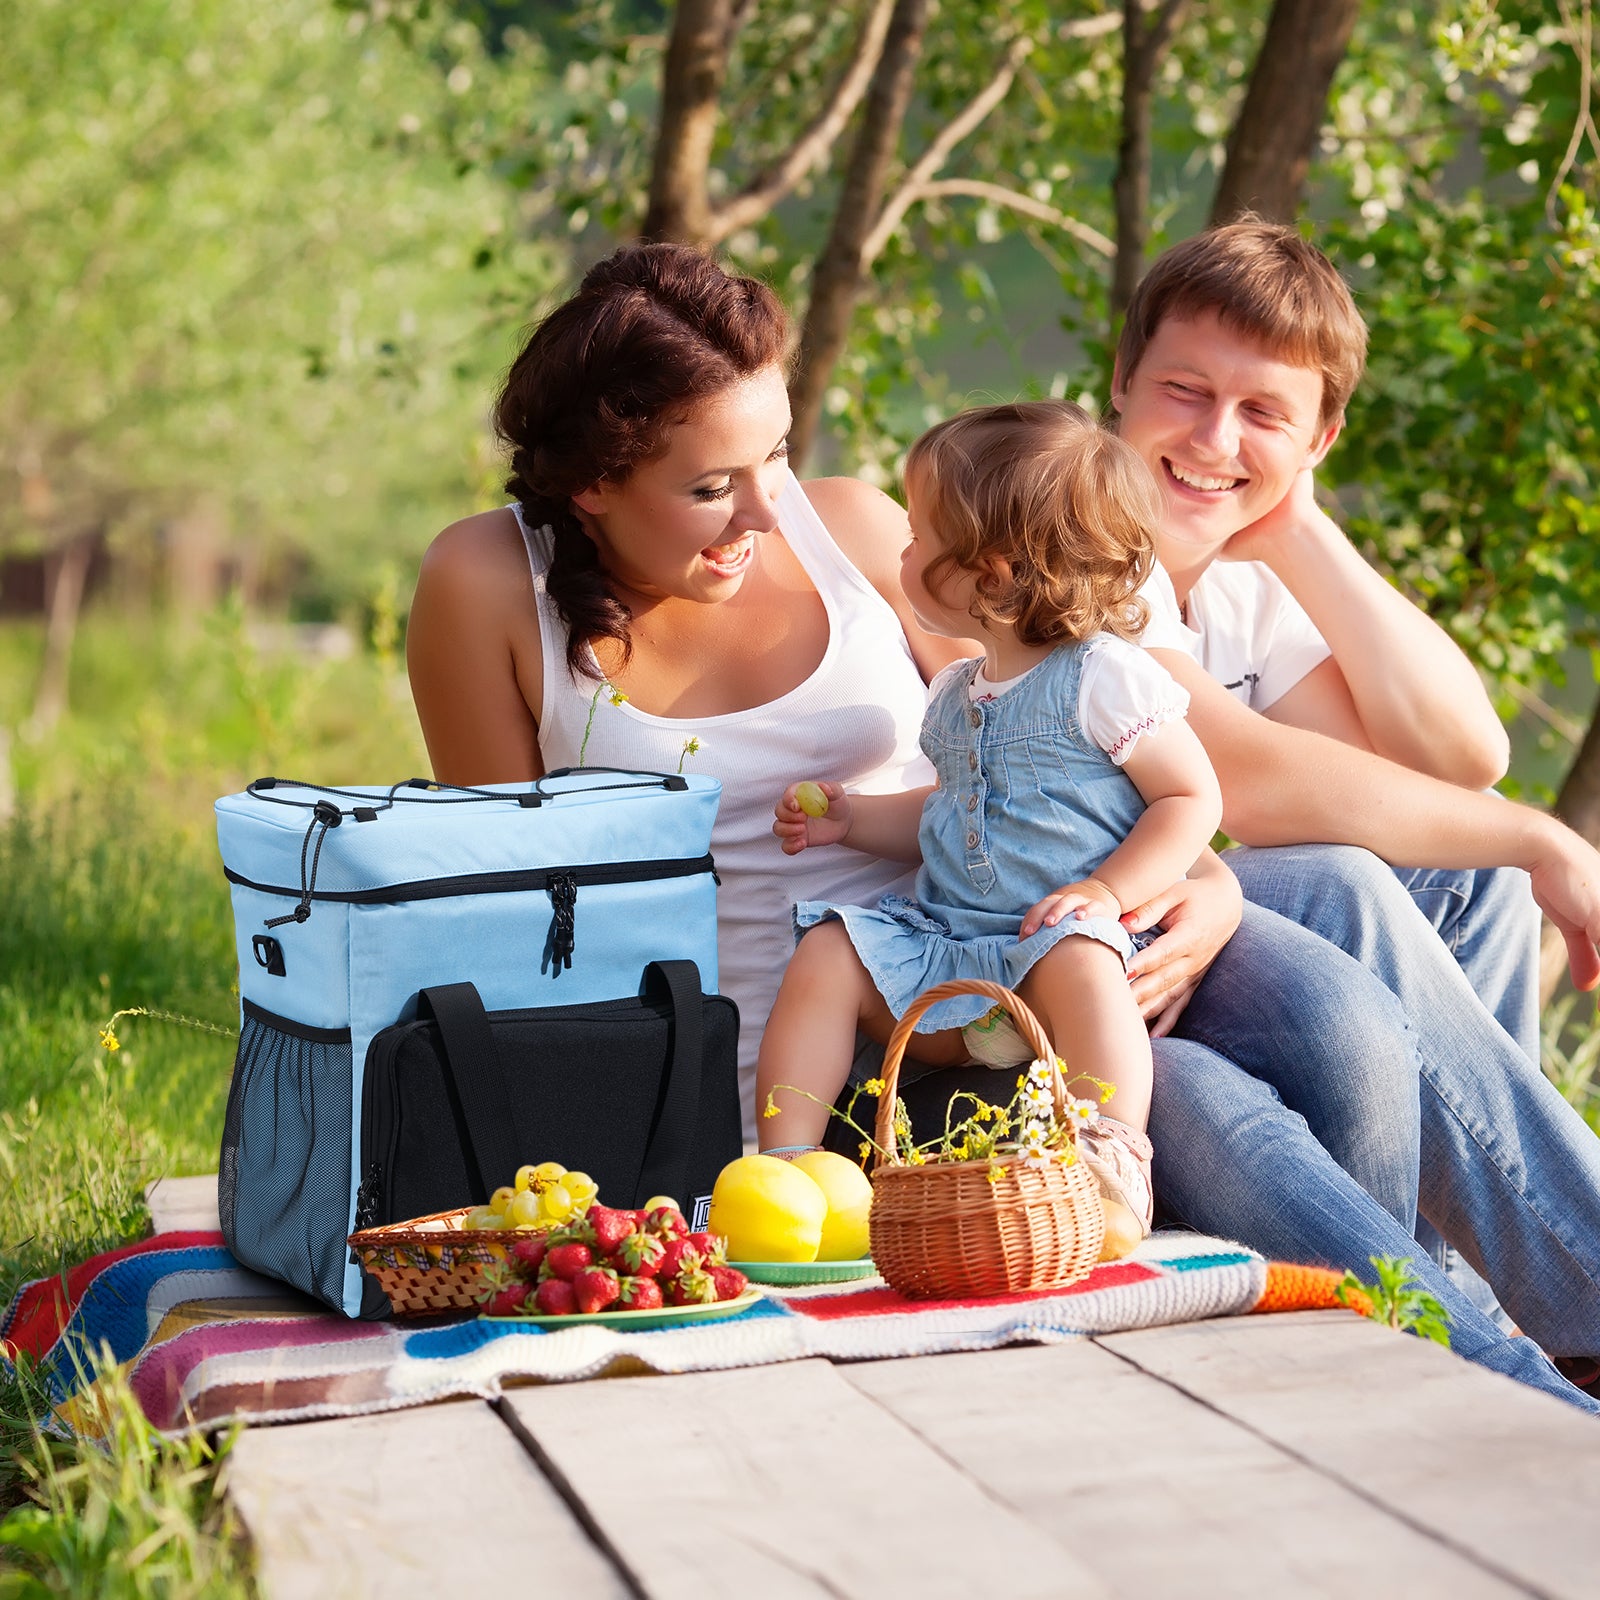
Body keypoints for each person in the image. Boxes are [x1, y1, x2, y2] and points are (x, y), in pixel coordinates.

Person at [405, 240, 1600, 1410]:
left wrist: (1220, 883)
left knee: (1340, 941)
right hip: (875, 1039)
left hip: (1032, 920)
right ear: (590, 482)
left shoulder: (856, 529)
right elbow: (511, 920)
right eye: (712, 485)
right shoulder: (487, 584)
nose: (766, 512)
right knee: (1204, 1099)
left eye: (776, 452)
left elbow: (1086, 736)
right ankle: (1492, 1376)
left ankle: (1558, 1321)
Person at [1105, 219, 1600, 1360]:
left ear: (1322, 433)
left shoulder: (1233, 582)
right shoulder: (1068, 528)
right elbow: (1251, 777)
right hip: (1078, 947)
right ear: (1121, 379)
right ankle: (1577, 1278)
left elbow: (1447, 759)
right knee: (1340, 879)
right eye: (1184, 390)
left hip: (1208, 949)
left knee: (1466, 879)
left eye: (1264, 413)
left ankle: (1499, 1277)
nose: (1213, 437)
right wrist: (1539, 834)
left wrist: (1301, 529)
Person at [756, 401, 1223, 1236]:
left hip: (1055, 958)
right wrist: (853, 820)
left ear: (993, 573)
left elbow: (1193, 799)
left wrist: (1107, 892)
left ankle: (1105, 1153)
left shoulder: (1103, 678)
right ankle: (788, 1173)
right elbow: (948, 817)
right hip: (955, 953)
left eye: (918, 538)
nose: (899, 551)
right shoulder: (955, 694)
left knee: (1079, 955)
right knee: (830, 949)